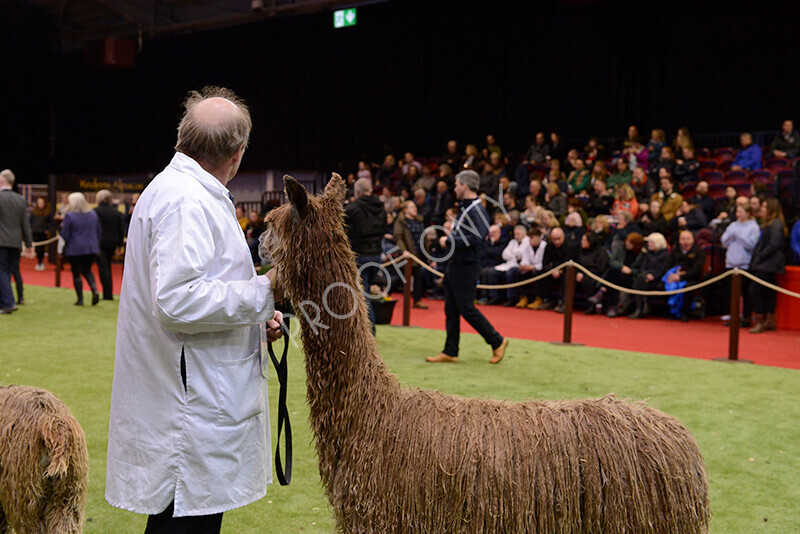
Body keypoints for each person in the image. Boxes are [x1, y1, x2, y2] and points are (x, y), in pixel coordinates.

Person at [106, 87, 283, 533]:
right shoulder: (186, 198)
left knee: (181, 519)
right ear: (238, 153)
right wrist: (267, 290)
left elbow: (202, 287)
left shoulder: (185, 189)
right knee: (185, 521)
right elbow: (178, 300)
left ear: (183, 137)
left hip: (195, 388)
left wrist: (255, 318)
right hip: (192, 403)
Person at [427, 170, 508, 364]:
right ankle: (450, 350)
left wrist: (449, 240)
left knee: (466, 309)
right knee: (451, 309)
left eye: (456, 184)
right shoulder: (467, 207)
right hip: (456, 265)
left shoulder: (476, 208)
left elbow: (477, 237)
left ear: (465, 185)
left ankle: (497, 341)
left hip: (467, 266)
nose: (454, 188)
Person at [345, 177, 387, 335]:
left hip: (359, 255)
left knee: (361, 295)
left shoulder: (353, 208)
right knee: (364, 292)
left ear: (357, 192)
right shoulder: (381, 208)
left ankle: (369, 332)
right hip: (376, 255)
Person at [748, 198, 787, 333]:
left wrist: (760, 256)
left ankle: (761, 320)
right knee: (768, 292)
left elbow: (774, 244)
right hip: (767, 263)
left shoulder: (775, 224)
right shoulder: (769, 224)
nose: (762, 209)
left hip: (768, 264)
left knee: (755, 290)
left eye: (764, 207)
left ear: (771, 209)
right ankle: (769, 320)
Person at [720, 204, 760, 326]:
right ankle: (734, 316)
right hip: (731, 262)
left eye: (741, 212)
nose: (738, 214)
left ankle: (746, 317)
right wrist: (732, 235)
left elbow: (752, 245)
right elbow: (724, 240)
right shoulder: (733, 225)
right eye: (737, 212)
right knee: (732, 293)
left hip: (745, 264)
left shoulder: (753, 226)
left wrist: (739, 236)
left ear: (748, 213)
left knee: (745, 292)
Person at [0, 169, 33, 313]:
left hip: (1, 241)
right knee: (8, 271)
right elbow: (25, 224)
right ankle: (6, 301)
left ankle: (8, 302)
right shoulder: (20, 199)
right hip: (15, 242)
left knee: (1, 271)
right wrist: (29, 244)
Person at [61, 192, 102, 306]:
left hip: (75, 248)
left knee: (76, 273)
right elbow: (98, 231)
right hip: (91, 247)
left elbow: (65, 234)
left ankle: (80, 299)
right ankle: (94, 289)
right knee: (87, 270)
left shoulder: (70, 216)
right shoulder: (93, 214)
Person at [393, 200, 428, 309]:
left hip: (419, 252)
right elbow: (398, 237)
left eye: (415, 207)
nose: (415, 209)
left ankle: (417, 300)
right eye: (412, 207)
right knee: (401, 277)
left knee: (418, 275)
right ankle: (386, 293)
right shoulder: (401, 221)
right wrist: (404, 250)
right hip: (407, 253)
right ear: (405, 209)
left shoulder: (418, 221)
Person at [664, 230, 706, 321]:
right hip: (674, 277)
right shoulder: (675, 250)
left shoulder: (699, 252)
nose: (685, 241)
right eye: (682, 239)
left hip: (692, 278)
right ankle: (671, 312)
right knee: (664, 285)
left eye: (688, 239)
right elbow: (668, 265)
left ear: (693, 240)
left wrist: (682, 276)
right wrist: (673, 274)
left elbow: (697, 270)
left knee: (688, 287)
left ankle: (685, 313)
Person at [487, 224, 531, 306]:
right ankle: (494, 297)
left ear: (524, 234)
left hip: (520, 266)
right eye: (515, 234)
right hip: (508, 264)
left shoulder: (528, 242)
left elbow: (521, 253)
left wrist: (512, 253)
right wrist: (515, 255)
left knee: (510, 273)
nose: (516, 236)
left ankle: (511, 298)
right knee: (492, 272)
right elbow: (504, 254)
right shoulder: (512, 242)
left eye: (518, 234)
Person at [628, 232, 669, 319]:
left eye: (651, 242)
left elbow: (663, 269)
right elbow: (643, 267)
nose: (649, 244)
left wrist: (653, 276)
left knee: (639, 281)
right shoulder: (647, 254)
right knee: (639, 279)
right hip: (645, 278)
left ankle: (641, 308)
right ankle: (640, 307)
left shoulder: (665, 255)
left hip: (658, 279)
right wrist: (646, 275)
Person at [94, 189, 126, 300]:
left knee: (104, 268)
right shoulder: (116, 213)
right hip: (112, 243)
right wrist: (120, 245)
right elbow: (120, 230)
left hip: (100, 243)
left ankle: (107, 294)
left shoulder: (95, 212)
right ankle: (108, 293)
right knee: (107, 266)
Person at [30, 197, 52, 271]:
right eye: (39, 203)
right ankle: (39, 262)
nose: (40, 204)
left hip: (43, 232)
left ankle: (41, 262)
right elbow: (30, 221)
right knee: (37, 247)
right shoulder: (34, 212)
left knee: (42, 248)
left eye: (41, 203)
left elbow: (50, 222)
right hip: (35, 231)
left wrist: (47, 229)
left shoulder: (48, 212)